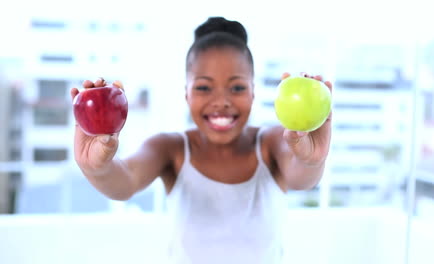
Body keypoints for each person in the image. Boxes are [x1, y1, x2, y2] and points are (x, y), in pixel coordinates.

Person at [71, 16, 332, 264]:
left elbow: (301, 178)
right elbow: (124, 182)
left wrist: (310, 159)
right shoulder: (169, 149)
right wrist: (97, 167)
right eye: (204, 87)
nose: (221, 101)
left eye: (237, 87)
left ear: (253, 92)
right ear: (186, 94)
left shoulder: (272, 143)